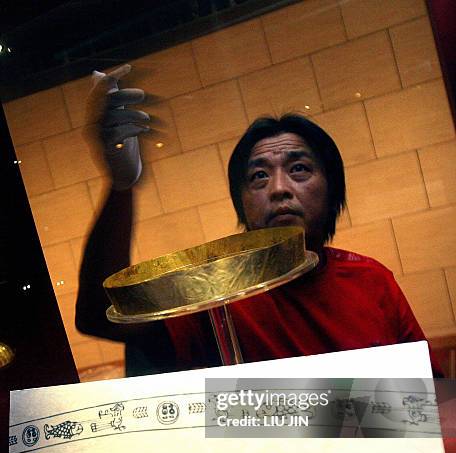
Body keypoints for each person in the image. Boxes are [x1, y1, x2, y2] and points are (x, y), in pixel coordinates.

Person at [76, 66, 442, 377]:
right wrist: (122, 186)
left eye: (299, 169)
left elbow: (430, 398)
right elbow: (97, 315)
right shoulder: (214, 293)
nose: (280, 189)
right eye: (259, 177)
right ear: (242, 203)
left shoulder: (371, 280)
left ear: (333, 190)